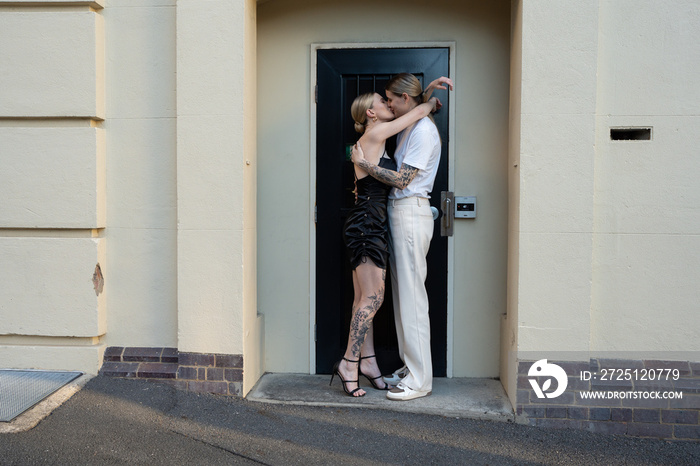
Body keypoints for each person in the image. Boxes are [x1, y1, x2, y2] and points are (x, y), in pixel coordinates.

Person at [330, 90, 442, 397]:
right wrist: (429, 101)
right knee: (373, 299)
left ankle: (369, 364)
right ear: (371, 113)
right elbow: (417, 114)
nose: (387, 104)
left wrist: (425, 94)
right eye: (382, 101)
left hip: (366, 224)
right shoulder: (377, 131)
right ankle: (349, 364)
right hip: (367, 226)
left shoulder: (374, 136)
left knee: (362, 300)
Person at [352, 73, 453, 401]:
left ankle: (421, 380)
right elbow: (418, 107)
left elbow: (402, 180)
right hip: (399, 215)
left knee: (412, 300)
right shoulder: (412, 122)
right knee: (403, 299)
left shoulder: (423, 132)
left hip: (410, 211)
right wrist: (428, 96)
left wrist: (364, 164)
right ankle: (412, 367)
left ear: (404, 100)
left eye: (391, 98)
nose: (389, 103)